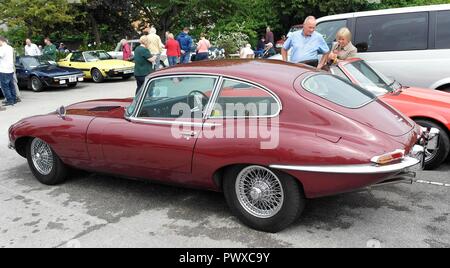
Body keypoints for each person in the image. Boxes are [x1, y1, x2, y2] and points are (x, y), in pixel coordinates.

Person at [0, 36, 17, 106]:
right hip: (10, 69)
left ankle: (9, 100)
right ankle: (14, 99)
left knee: (5, 86)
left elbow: (0, 55)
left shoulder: (2, 48)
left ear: (1, 41)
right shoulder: (10, 47)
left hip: (4, 69)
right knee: (11, 85)